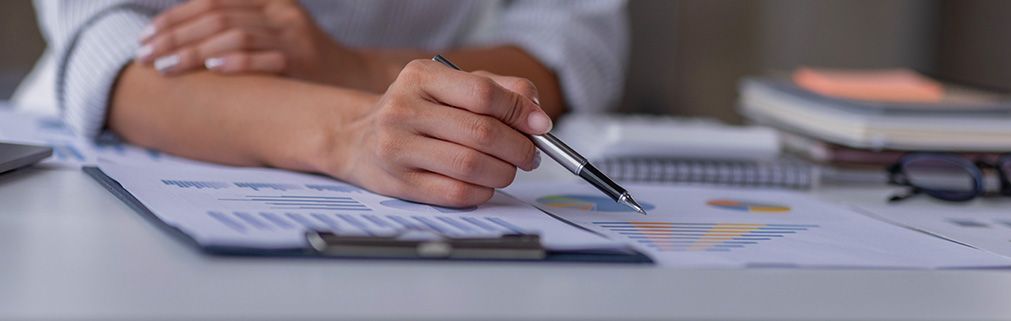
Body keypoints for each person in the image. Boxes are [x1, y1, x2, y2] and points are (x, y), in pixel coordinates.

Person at [18, 0, 628, 206]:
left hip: (423, 151)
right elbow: (105, 47)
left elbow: (576, 41)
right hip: (117, 158)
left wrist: (354, 68)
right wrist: (352, 130)